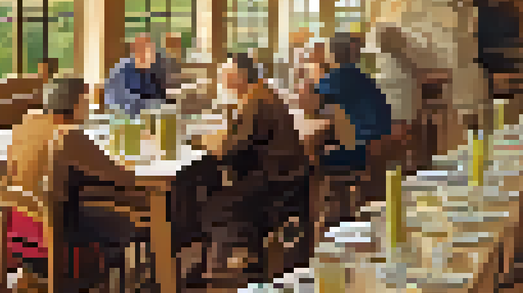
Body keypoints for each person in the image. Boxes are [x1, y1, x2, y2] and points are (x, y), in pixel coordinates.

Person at [0, 76, 139, 280]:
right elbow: (123, 178)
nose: (88, 107)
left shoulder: (26, 125)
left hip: (21, 234)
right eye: (86, 100)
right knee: (128, 223)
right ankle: (117, 287)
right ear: (76, 103)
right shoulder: (67, 134)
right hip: (58, 238)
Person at [193, 54, 308, 277]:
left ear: (240, 76)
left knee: (212, 207)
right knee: (222, 190)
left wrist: (204, 144)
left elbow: (233, 149)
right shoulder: (262, 92)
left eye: (226, 74)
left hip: (276, 180)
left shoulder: (254, 100)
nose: (222, 79)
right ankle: (248, 255)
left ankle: (234, 265)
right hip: (288, 176)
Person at [312, 33, 394, 171]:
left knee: (311, 157)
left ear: (332, 54)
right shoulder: (365, 78)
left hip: (359, 152)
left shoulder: (331, 80)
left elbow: (312, 107)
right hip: (382, 147)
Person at [104, 33, 175, 118]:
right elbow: (112, 99)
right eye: (141, 50)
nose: (146, 54)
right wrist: (152, 104)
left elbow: (160, 96)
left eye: (150, 51)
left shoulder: (154, 71)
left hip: (153, 117)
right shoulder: (121, 71)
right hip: (127, 119)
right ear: (133, 51)